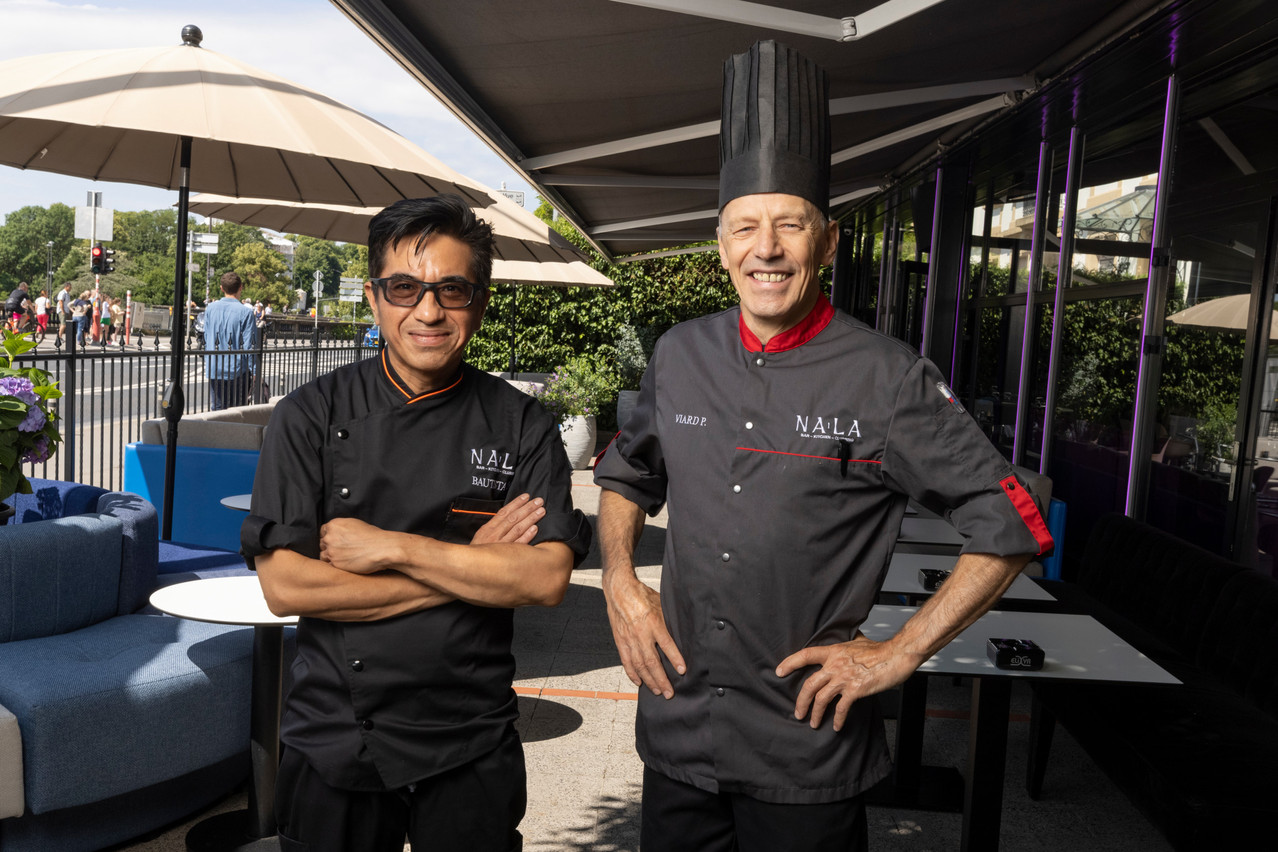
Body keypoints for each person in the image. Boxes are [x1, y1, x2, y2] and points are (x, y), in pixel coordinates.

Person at [592, 40, 1053, 852]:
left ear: (828, 242)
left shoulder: (887, 378)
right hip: (677, 733)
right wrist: (623, 582)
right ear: (721, 241)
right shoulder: (679, 352)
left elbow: (1012, 521)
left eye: (789, 226)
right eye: (744, 228)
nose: (765, 249)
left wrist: (900, 652)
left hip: (804, 750)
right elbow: (629, 473)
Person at [243, 194, 592, 852]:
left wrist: (391, 548)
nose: (427, 311)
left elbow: (545, 578)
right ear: (374, 299)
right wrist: (470, 563)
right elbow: (288, 587)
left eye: (451, 290)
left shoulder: (522, 424)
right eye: (404, 288)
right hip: (338, 735)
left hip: (469, 737)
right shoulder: (309, 417)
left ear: (480, 303)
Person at [203, 272, 258, 410]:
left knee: (217, 409)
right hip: (237, 369)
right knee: (237, 411)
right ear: (241, 287)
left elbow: (206, 336)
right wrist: (255, 370)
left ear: (221, 288)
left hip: (215, 365)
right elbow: (249, 344)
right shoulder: (245, 312)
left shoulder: (210, 309)